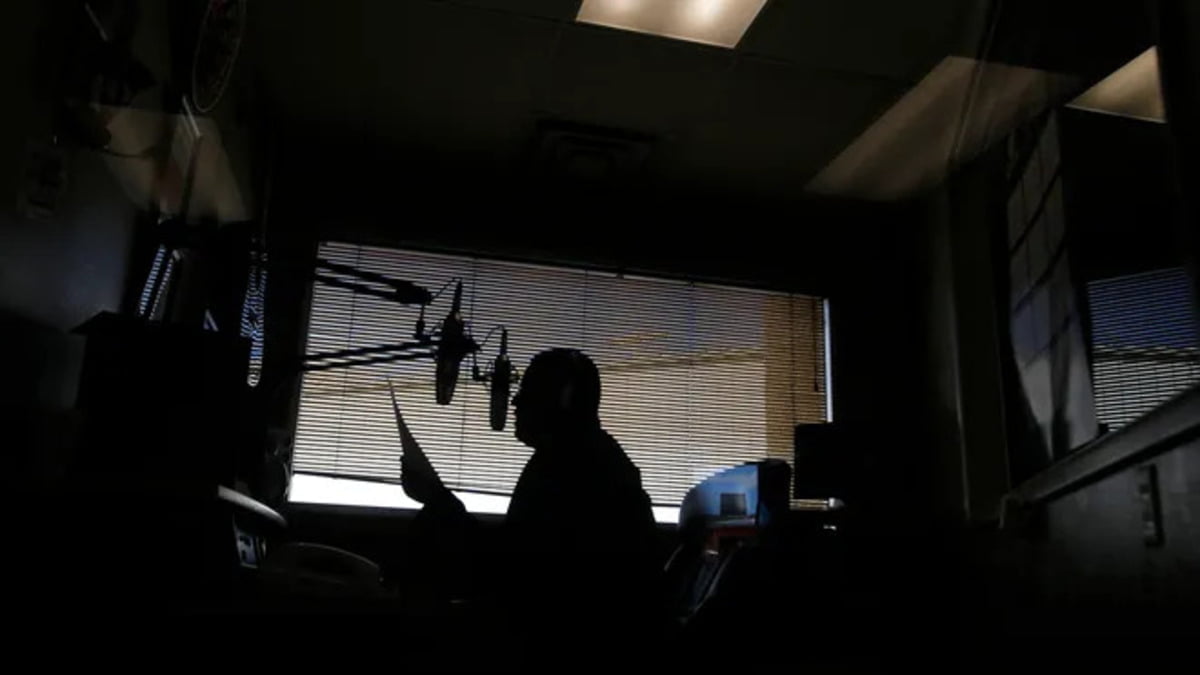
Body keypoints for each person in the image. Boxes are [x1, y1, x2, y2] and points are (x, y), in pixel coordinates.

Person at [395, 348, 662, 658]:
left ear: (564, 398)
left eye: (529, 391)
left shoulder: (578, 470)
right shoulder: (578, 458)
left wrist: (438, 501)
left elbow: (514, 570)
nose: (515, 402)